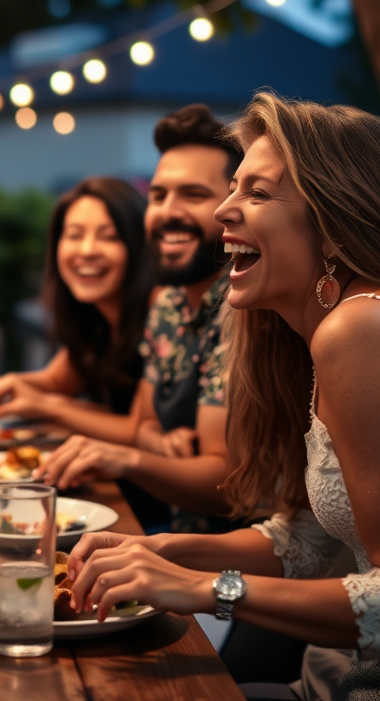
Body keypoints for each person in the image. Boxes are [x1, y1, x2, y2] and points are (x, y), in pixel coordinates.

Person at [65, 93, 380, 701]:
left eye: (257, 193)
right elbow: (310, 540)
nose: (224, 210)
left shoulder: (363, 328)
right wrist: (159, 550)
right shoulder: (312, 333)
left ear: (333, 220)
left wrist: (207, 587)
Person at [35, 104, 239, 532]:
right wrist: (152, 446)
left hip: (224, 570)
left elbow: (228, 487)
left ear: (235, 208)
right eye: (159, 195)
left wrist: (129, 458)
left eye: (194, 195)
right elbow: (142, 426)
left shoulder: (242, 310)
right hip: (165, 535)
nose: (168, 211)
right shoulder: (167, 305)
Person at [0, 177, 154, 442]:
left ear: (137, 247)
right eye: (74, 235)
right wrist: (5, 385)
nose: (86, 250)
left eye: (109, 236)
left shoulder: (161, 316)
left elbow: (140, 430)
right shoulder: (96, 320)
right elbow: (55, 383)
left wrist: (48, 407)